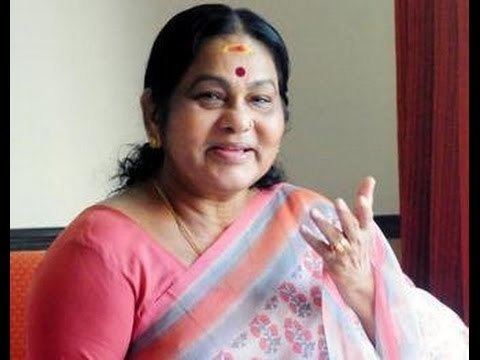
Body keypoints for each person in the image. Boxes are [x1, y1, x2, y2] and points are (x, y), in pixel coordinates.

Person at [26, 3, 468, 359]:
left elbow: (434, 348)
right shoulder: (100, 252)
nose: (238, 120)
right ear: (154, 114)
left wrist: (363, 289)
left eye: (259, 99)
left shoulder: (311, 221)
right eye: (211, 96)